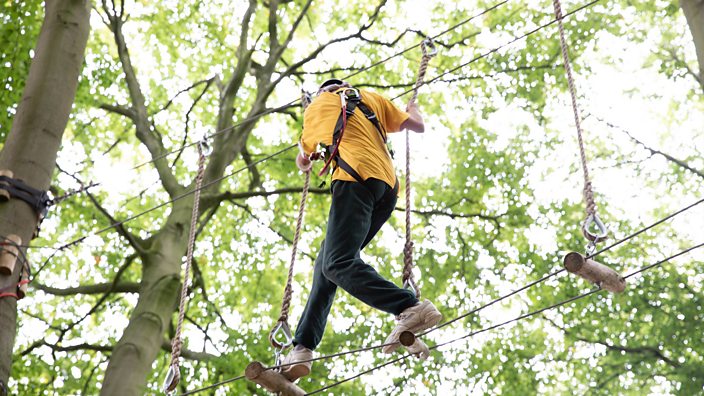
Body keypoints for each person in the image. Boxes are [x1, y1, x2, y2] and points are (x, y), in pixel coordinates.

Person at [281, 79, 442, 381]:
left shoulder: (321, 105)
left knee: (337, 262)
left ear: (322, 93)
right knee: (328, 262)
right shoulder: (371, 99)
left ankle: (409, 306)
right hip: (386, 188)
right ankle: (303, 347)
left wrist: (310, 153)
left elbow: (303, 161)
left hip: (354, 178)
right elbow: (416, 125)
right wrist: (413, 110)